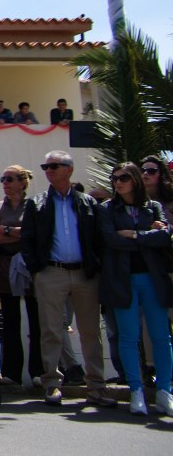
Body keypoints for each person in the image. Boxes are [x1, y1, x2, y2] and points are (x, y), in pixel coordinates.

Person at [20, 150, 115, 408]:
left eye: (54, 165)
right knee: (50, 330)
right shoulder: (37, 203)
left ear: (69, 170)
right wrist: (37, 270)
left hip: (85, 274)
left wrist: (96, 267)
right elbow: (26, 239)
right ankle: (52, 383)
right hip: (51, 272)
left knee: (90, 332)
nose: (48, 170)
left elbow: (99, 240)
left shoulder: (87, 203)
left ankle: (96, 387)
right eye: (45, 165)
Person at [97, 162, 173, 416]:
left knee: (162, 337)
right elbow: (111, 240)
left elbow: (165, 237)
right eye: (114, 178)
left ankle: (164, 391)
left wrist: (135, 235)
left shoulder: (153, 207)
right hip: (122, 279)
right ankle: (136, 391)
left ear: (136, 180)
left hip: (152, 278)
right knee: (128, 338)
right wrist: (146, 237)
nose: (118, 182)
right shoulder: (107, 208)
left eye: (123, 178)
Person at [0, 166, 43, 387]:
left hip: (29, 266)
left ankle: (39, 372)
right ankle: (11, 372)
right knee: (10, 320)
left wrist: (7, 230)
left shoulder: (34, 205)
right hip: (4, 266)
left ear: (22, 182)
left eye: (10, 179)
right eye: (3, 178)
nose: (5, 182)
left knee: (36, 320)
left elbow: (34, 234)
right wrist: (19, 233)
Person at [140, 155, 173, 223]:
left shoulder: (170, 201)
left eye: (151, 171)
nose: (145, 173)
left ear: (161, 174)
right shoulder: (132, 198)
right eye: (142, 170)